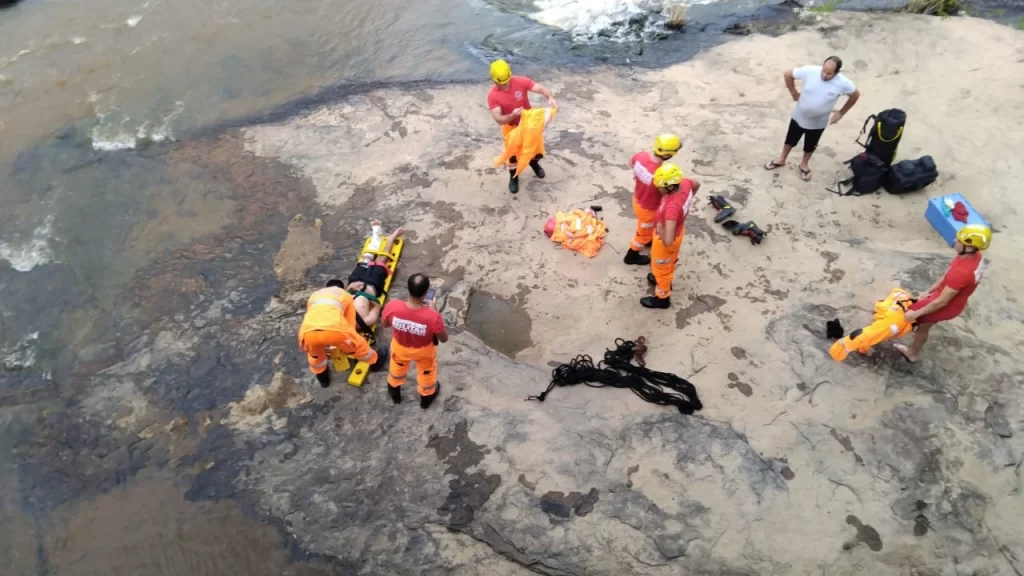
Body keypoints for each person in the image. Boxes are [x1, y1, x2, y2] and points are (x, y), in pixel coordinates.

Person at [894, 225, 990, 363]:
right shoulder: (972, 255)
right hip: (948, 296)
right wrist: (930, 290)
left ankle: (912, 353)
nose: (954, 240)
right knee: (921, 318)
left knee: (922, 324)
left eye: (959, 240)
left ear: (968, 247)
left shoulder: (962, 272)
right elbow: (948, 274)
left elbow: (942, 302)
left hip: (948, 304)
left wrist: (915, 314)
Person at [764, 56, 860, 182]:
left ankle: (804, 164)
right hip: (799, 116)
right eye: (823, 71)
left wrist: (841, 113)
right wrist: (793, 92)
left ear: (836, 72)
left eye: (829, 73)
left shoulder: (843, 83)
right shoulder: (810, 71)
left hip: (818, 122)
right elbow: (787, 74)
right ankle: (782, 159)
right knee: (790, 139)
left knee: (810, 145)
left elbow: (855, 95)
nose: (824, 75)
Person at [298, 281, 389, 388]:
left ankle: (322, 378)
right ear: (343, 288)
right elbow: (349, 321)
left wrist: (325, 343)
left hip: (308, 332)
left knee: (315, 355)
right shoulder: (345, 295)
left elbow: (312, 313)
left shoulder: (314, 295)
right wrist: (350, 340)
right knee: (358, 346)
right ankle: (375, 362)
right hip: (335, 330)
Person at [487, 59, 558, 194]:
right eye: (501, 83)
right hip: (511, 127)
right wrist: (511, 116)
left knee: (537, 151)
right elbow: (498, 120)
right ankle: (514, 177)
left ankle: (533, 163)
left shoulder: (520, 81)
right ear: (494, 81)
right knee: (512, 156)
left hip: (529, 124)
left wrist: (550, 97)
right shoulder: (493, 96)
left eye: (506, 81)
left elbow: (540, 88)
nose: (505, 85)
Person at [382, 273, 449, 409]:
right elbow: (444, 338)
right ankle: (426, 398)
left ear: (408, 289)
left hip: (400, 347)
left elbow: (385, 324)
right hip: (423, 351)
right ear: (425, 294)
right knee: (426, 372)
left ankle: (395, 394)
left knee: (397, 368)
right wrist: (434, 312)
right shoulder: (432, 316)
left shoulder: (392, 306)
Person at [642, 163, 700, 310]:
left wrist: (660, 228)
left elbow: (668, 241)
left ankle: (662, 298)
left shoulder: (672, 208)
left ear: (669, 186)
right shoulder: (685, 183)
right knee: (665, 263)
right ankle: (658, 278)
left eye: (660, 186)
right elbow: (697, 184)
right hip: (677, 231)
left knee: (662, 269)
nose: (658, 189)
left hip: (666, 238)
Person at [625, 134, 682, 267]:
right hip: (649, 208)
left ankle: (647, 238)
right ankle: (632, 255)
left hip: (638, 198)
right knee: (642, 234)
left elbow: (630, 162)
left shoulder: (641, 156)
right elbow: (664, 193)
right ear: (668, 155)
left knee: (647, 228)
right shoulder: (660, 174)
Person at [346, 221, 403, 332]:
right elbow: (377, 306)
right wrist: (365, 293)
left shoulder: (339, 318)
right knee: (381, 261)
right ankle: (391, 238)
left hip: (354, 283)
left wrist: (352, 290)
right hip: (372, 285)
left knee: (365, 260)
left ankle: (376, 236)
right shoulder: (366, 321)